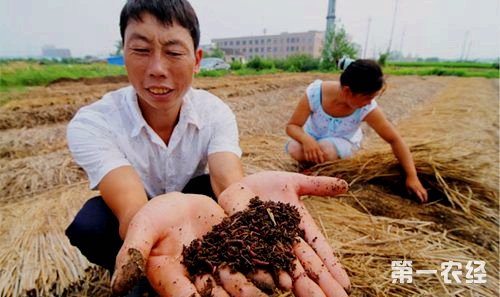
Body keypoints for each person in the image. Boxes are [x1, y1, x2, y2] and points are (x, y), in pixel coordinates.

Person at [65, 0, 351, 296]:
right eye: (141, 50)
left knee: (212, 191)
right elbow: (132, 208)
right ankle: (133, 270)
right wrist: (151, 234)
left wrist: (251, 214)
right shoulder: (93, 123)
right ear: (123, 53)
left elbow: (228, 183)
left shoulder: (214, 112)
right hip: (141, 216)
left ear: (197, 59)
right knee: (91, 223)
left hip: (196, 207)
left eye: (174, 52)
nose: (157, 69)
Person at [285, 57, 428, 202]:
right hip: (313, 137)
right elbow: (292, 126)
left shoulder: (367, 108)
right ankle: (312, 168)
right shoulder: (316, 94)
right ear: (347, 91)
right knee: (294, 148)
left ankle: (323, 171)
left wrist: (412, 176)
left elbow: (394, 139)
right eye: (367, 97)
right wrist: (307, 140)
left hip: (342, 143)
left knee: (325, 149)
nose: (370, 102)